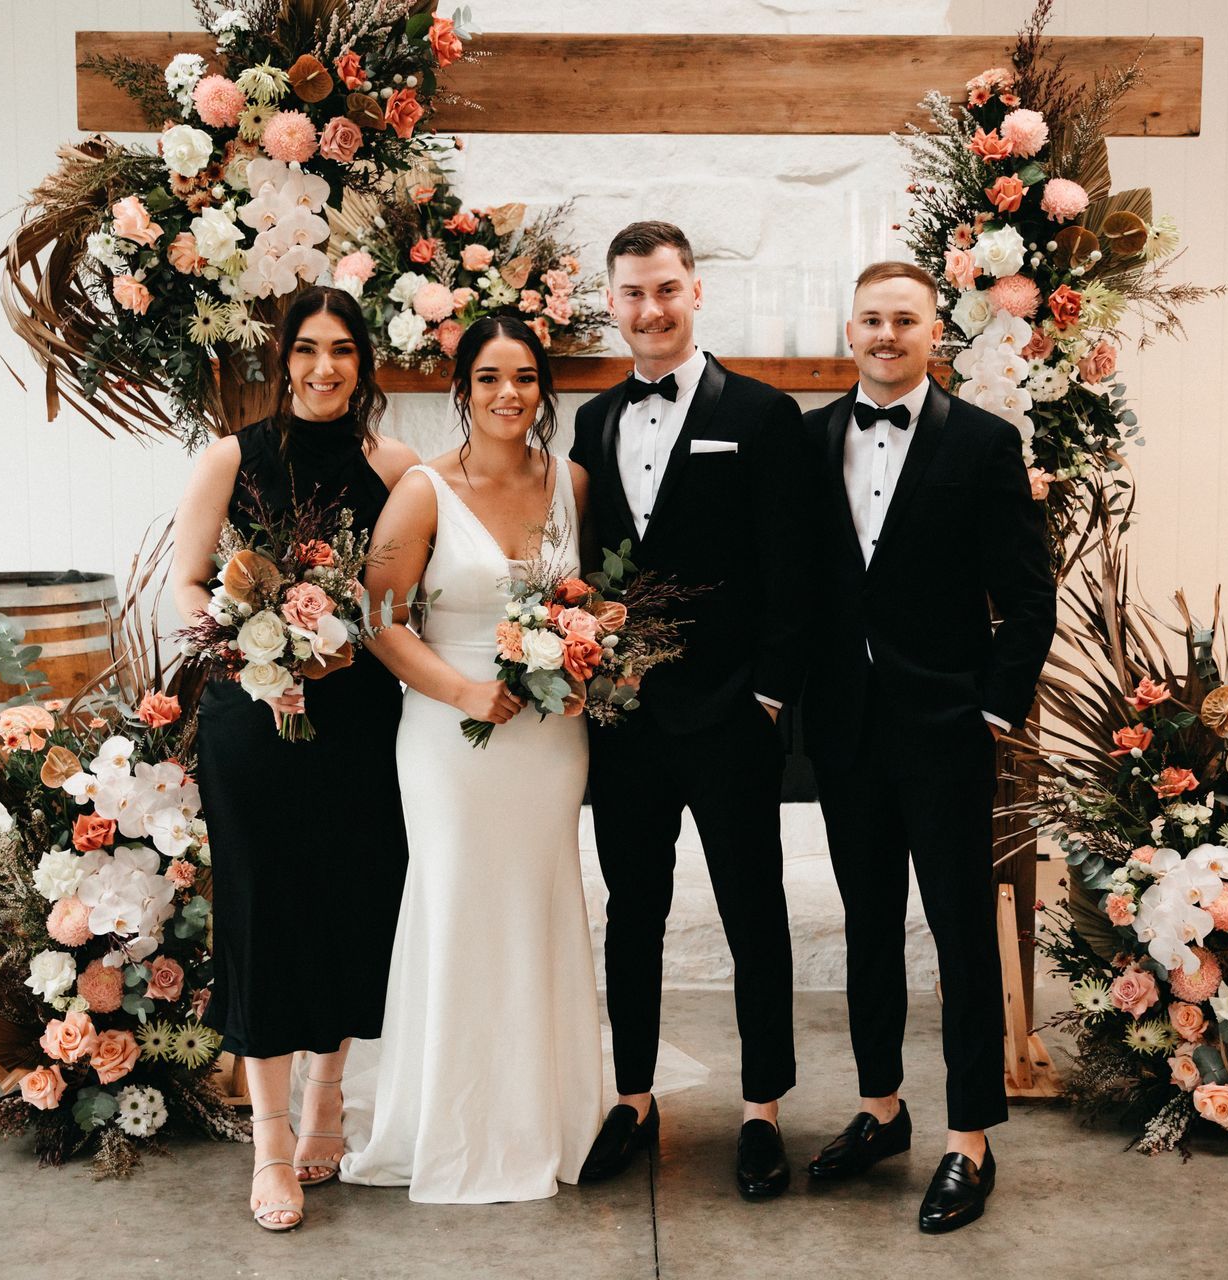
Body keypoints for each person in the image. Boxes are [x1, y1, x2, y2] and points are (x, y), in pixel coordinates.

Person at [797, 261, 1055, 1234]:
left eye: (905, 319)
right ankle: (880, 1108)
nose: (887, 334)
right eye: (871, 319)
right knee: (867, 924)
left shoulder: (985, 443)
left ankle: (970, 1138)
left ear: (932, 331)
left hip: (949, 733)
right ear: (849, 330)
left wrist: (992, 710)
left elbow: (1029, 598)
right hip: (849, 732)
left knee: (957, 934)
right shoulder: (813, 438)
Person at [338, 315, 604, 1203]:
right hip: (450, 734)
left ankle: (544, 1116)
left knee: (539, 901)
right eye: (489, 377)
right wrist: (459, 691)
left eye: (525, 377)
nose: (508, 394)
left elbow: (584, 599)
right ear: (462, 389)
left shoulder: (570, 481)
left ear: (542, 389)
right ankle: (449, 1123)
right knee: (457, 902)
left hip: (550, 738)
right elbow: (380, 617)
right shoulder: (422, 491)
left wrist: (586, 653)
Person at [169, 286, 419, 1232]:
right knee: (264, 913)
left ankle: (329, 1098)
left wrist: (362, 632)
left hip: (359, 723)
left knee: (352, 902)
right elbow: (191, 578)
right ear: (283, 359)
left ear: (365, 364)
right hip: (255, 725)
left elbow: (404, 601)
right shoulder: (233, 457)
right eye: (308, 350)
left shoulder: (396, 468)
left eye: (343, 351)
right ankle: (271, 1144)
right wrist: (246, 641)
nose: (325, 368)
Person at [568, 221, 809, 1199]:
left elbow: (796, 571)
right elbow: (579, 565)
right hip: (624, 720)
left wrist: (763, 695)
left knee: (757, 912)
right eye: (630, 293)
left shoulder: (761, 413)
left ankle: (762, 1110)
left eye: (665, 289)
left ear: (696, 292)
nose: (649, 309)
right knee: (633, 912)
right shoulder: (589, 423)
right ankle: (633, 1095)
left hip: (729, 714)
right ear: (612, 302)